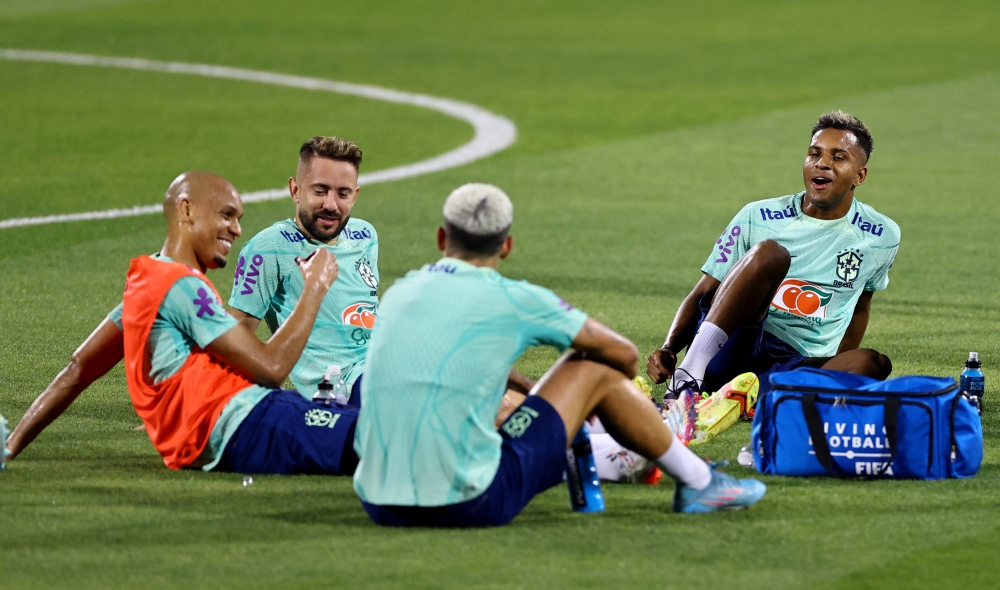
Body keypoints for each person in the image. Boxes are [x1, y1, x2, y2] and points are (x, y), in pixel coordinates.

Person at [353, 183, 767, 527]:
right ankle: (696, 480)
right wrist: (600, 404)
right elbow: (620, 355)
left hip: (376, 500)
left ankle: (607, 448)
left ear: (442, 238)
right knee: (593, 367)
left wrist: (537, 392)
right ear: (508, 245)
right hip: (467, 502)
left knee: (502, 398)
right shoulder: (514, 298)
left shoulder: (401, 292)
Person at [6, 171, 359, 476]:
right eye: (226, 215)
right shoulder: (181, 286)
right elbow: (270, 367)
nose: (236, 229)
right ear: (187, 209)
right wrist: (315, 286)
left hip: (222, 430)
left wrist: (11, 445)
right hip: (244, 422)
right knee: (372, 435)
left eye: (238, 218)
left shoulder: (148, 283)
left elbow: (77, 369)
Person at [646, 111, 900, 398]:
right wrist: (669, 349)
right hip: (734, 345)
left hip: (793, 363)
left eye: (838, 157)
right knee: (771, 254)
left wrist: (833, 374)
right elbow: (703, 291)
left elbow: (860, 309)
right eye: (814, 154)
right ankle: (688, 378)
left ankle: (751, 399)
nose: (822, 163)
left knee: (873, 364)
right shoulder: (759, 216)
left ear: (859, 175)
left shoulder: (881, 235)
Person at [228, 136, 377, 405]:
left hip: (383, 361)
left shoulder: (365, 235)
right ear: (295, 190)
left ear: (354, 196)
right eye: (320, 191)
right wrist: (190, 396)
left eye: (342, 193)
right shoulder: (270, 247)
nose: (331, 205)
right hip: (342, 383)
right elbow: (235, 335)